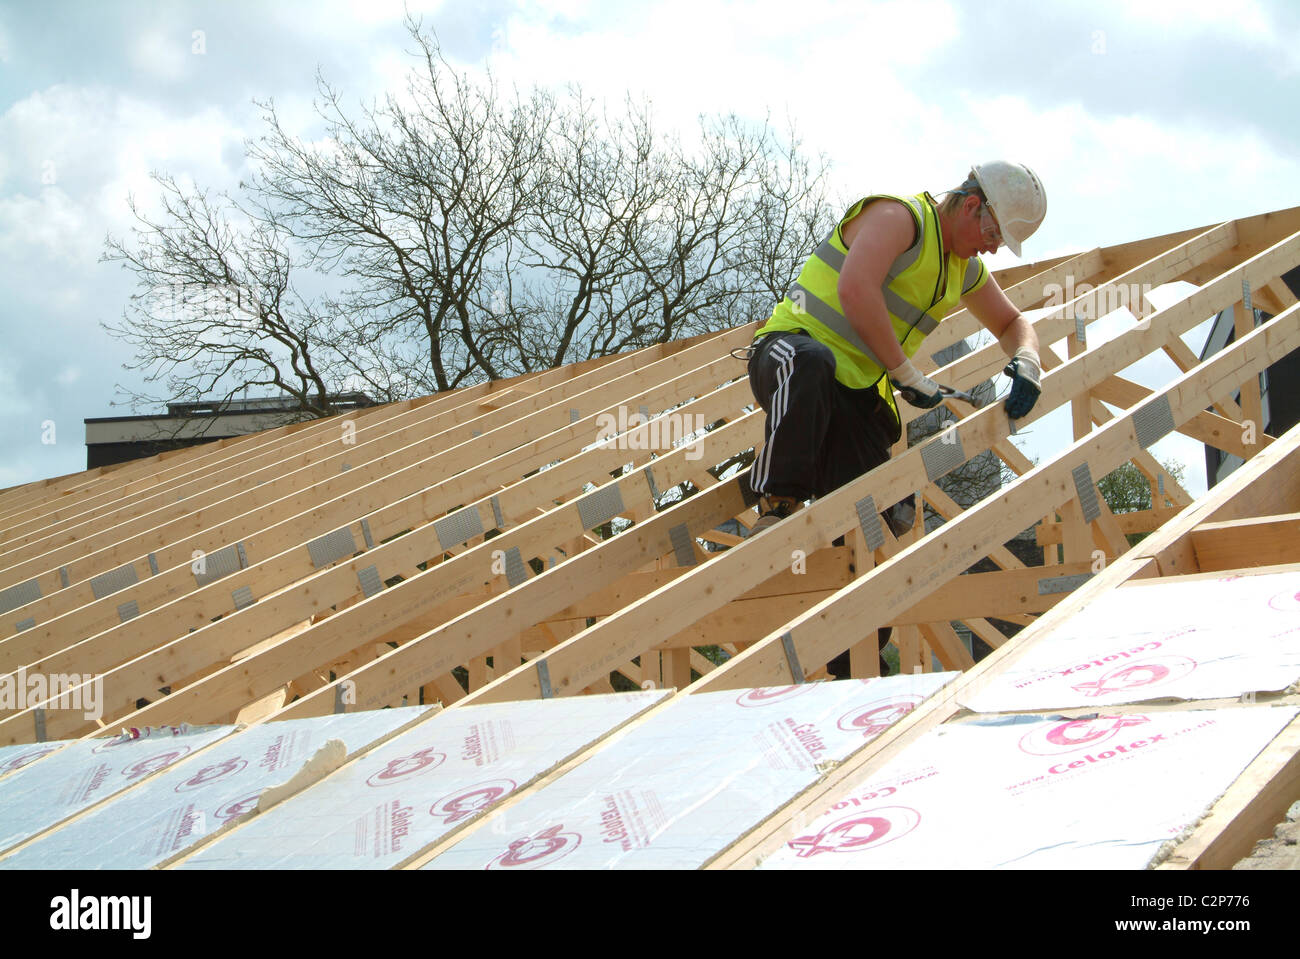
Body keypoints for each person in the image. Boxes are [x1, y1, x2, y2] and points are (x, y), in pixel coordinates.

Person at [744, 161, 1047, 676]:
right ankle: (777, 501)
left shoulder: (963, 269)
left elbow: (1014, 322)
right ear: (973, 206)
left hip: (854, 391)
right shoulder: (899, 219)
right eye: (994, 234)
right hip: (789, 352)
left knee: (869, 529)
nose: (993, 249)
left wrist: (1029, 361)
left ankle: (854, 662)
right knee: (812, 365)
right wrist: (905, 370)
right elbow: (855, 288)